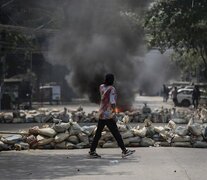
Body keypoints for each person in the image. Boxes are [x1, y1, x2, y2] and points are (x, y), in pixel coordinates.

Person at [89, 73, 135, 158]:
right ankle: (124, 151)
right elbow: (112, 102)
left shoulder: (101, 86)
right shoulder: (112, 89)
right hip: (108, 115)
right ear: (112, 80)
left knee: (98, 133)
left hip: (102, 113)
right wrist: (114, 112)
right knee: (116, 133)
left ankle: (92, 151)